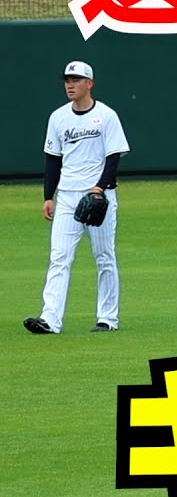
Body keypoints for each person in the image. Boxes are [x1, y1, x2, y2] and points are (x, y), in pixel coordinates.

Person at [25, 61, 131, 335]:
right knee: (59, 257)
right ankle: (50, 319)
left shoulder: (106, 116)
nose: (70, 85)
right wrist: (48, 196)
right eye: (67, 80)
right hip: (67, 197)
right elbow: (53, 159)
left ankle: (107, 318)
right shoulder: (58, 117)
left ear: (89, 83)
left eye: (76, 80)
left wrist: (99, 188)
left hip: (99, 196)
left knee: (104, 256)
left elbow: (113, 157)